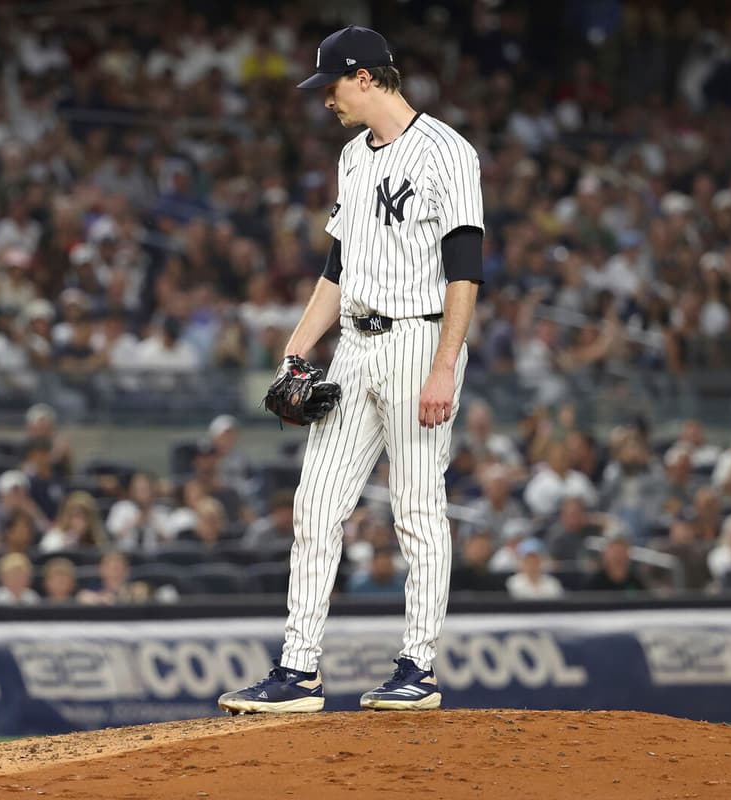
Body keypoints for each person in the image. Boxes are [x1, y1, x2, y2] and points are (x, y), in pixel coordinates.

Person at [221, 26, 484, 715]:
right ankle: (298, 670)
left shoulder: (447, 152)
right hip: (356, 347)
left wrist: (443, 367)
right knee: (315, 504)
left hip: (418, 343)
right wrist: (295, 351)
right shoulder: (352, 158)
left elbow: (466, 271)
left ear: (365, 77)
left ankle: (418, 668)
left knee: (417, 511)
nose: (326, 100)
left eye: (331, 85)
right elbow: (337, 270)